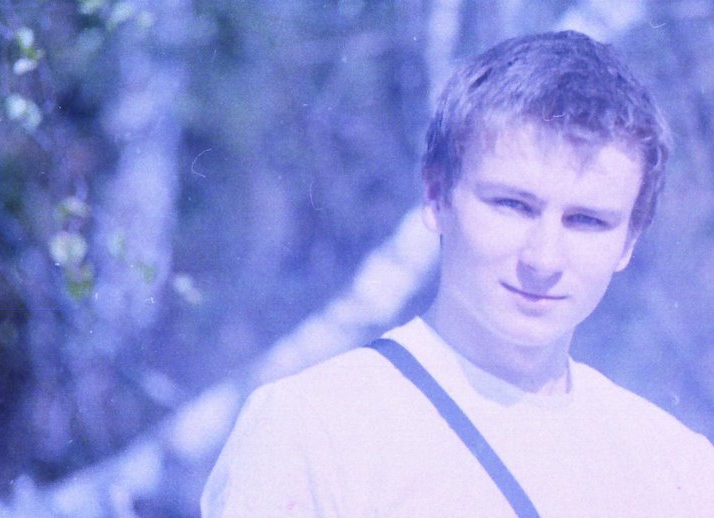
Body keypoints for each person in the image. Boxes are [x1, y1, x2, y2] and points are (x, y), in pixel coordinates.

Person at [201, 30, 714, 517]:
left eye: (587, 221)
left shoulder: (676, 466)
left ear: (629, 240)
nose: (543, 259)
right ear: (436, 196)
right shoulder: (312, 429)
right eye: (513, 205)